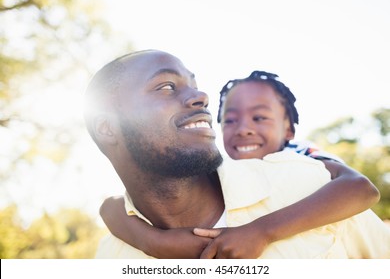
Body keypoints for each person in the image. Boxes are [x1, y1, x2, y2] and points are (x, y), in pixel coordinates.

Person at [84, 50, 389, 258]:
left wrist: (262, 231)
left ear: (289, 132)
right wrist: (152, 241)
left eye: (260, 118)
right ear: (108, 128)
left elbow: (359, 188)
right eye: (166, 86)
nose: (200, 96)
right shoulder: (113, 254)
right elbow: (112, 207)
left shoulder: (307, 172)